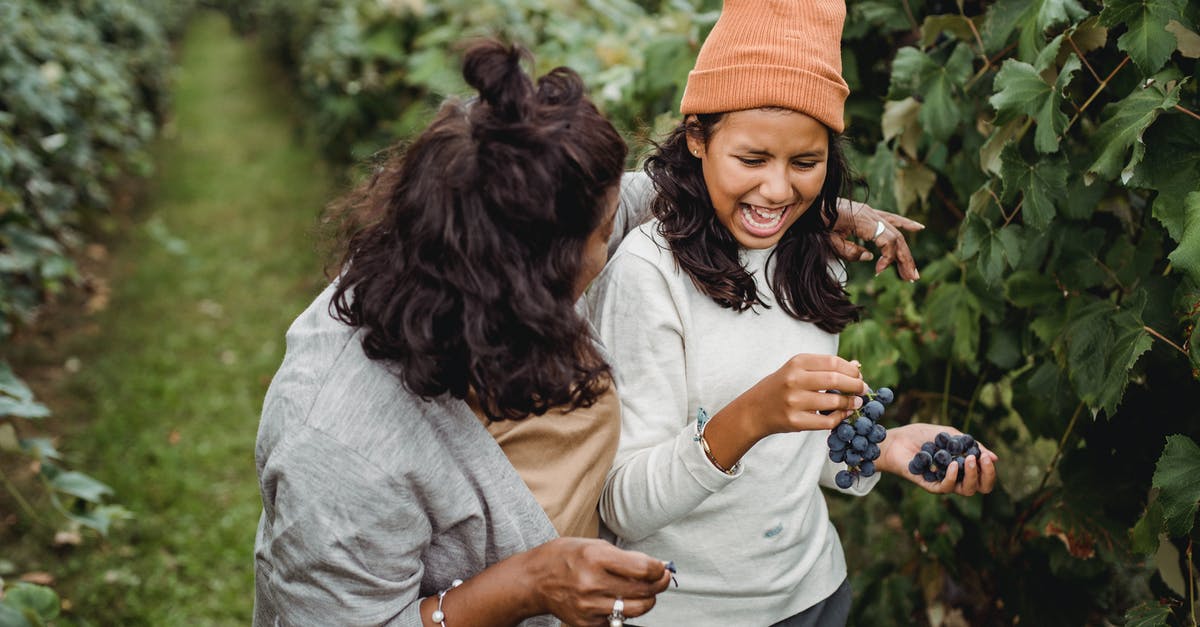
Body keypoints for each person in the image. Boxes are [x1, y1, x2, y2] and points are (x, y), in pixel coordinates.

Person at [585, 1, 999, 625]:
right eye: (752, 160)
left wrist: (882, 450)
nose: (779, 191)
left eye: (806, 164)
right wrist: (749, 416)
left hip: (814, 595)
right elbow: (621, 504)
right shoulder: (648, 276)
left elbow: (791, 456)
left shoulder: (811, 253)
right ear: (697, 136)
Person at [252, 41, 673, 627]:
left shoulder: (464, 246)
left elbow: (624, 200)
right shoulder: (339, 445)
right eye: (602, 237)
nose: (612, 241)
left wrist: (810, 217)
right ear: (529, 279)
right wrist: (530, 583)